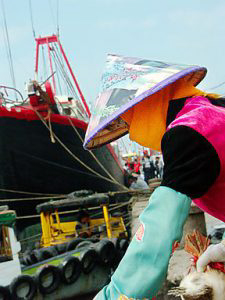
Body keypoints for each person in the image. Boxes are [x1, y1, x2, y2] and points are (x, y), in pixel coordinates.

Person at [84, 55, 225, 299]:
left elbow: (158, 231)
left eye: (129, 123)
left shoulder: (188, 132)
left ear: (145, 105)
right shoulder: (214, 109)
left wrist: (116, 294)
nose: (134, 135)